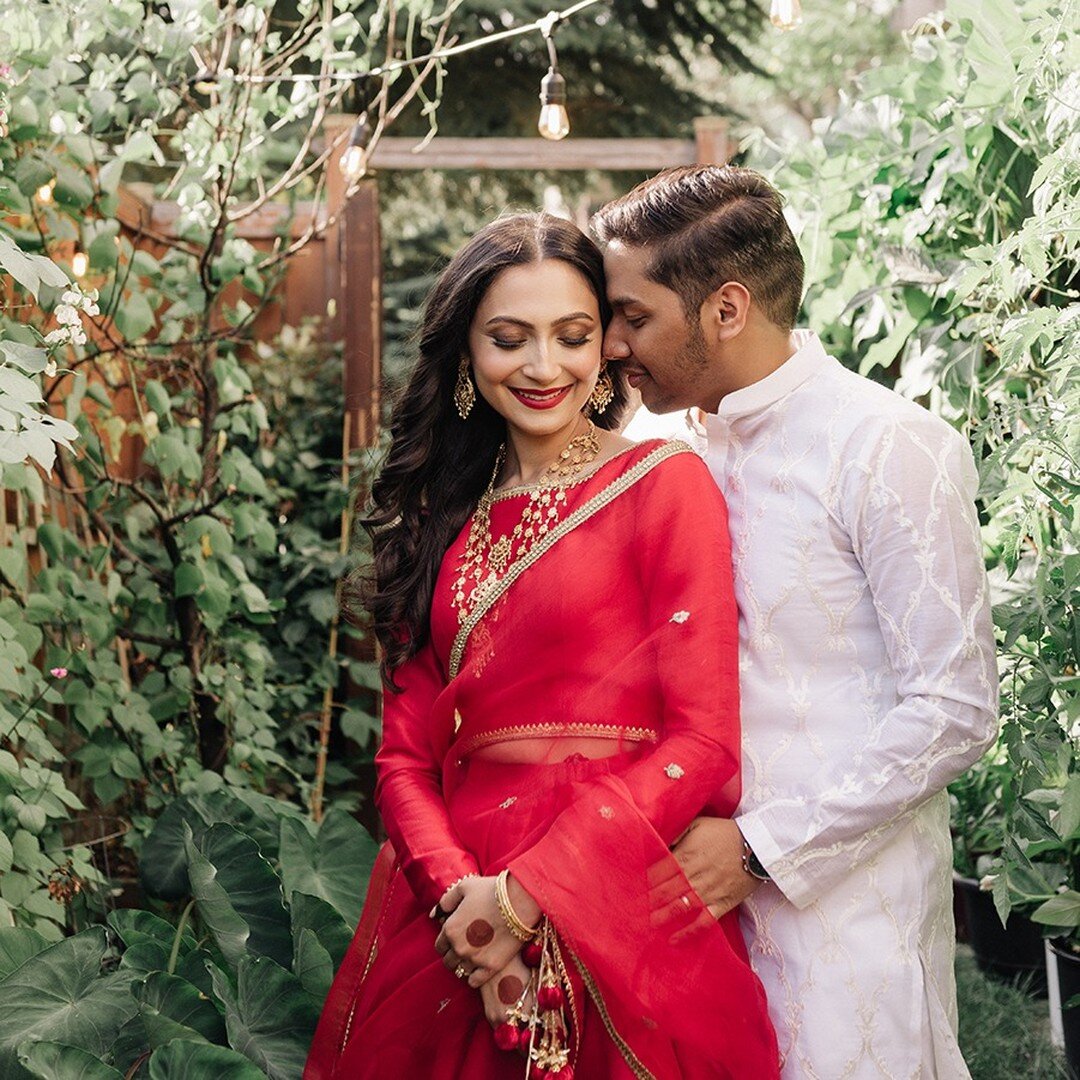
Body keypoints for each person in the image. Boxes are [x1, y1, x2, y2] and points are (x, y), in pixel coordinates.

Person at [305, 213, 779, 1079]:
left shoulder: (663, 486)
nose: (542, 366)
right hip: (452, 899)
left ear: (604, 348)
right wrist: (468, 914)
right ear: (465, 353)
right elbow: (405, 759)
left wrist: (526, 901)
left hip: (614, 881)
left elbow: (704, 740)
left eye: (572, 336)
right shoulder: (433, 522)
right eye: (509, 338)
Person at [594, 165, 999, 1079]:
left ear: (726, 309)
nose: (613, 344)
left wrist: (762, 851)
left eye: (635, 316)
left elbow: (956, 707)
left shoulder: (888, 445)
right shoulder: (655, 454)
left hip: (843, 909)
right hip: (674, 894)